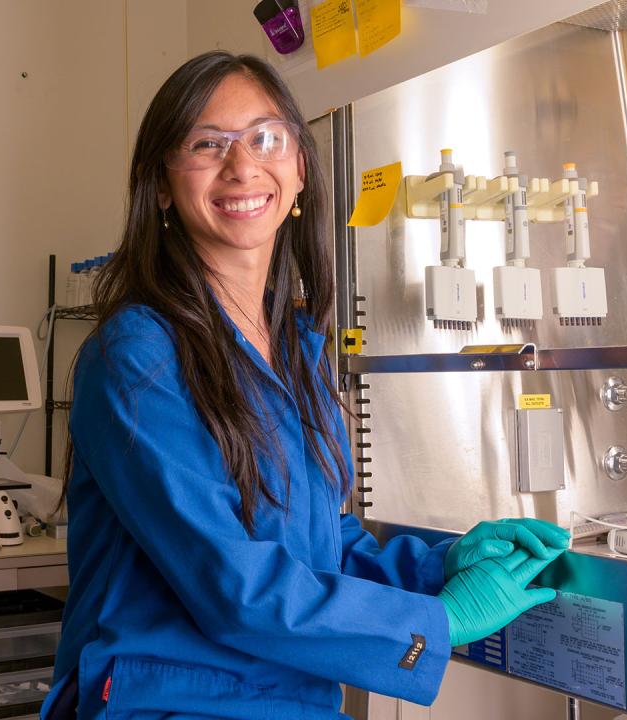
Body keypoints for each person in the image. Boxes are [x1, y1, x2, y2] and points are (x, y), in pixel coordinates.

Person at [41, 51, 569, 719]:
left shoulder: (295, 351)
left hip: (292, 700)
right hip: (170, 706)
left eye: (266, 137)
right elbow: (234, 586)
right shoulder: (139, 353)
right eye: (208, 144)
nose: (242, 165)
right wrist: (439, 624)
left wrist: (441, 566)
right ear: (163, 186)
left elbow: (325, 543)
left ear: (298, 171)